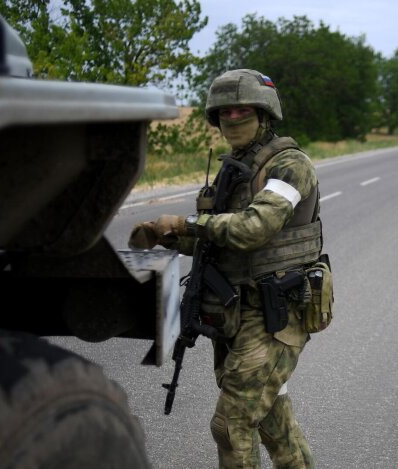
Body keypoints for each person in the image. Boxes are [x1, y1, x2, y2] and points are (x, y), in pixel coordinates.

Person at [129, 69, 320, 468]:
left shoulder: (289, 165)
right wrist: (164, 235)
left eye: (242, 110)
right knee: (272, 421)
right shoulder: (234, 168)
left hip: (276, 314)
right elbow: (218, 239)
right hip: (234, 313)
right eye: (224, 112)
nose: (232, 119)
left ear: (264, 113)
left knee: (231, 426)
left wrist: (186, 224)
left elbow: (254, 228)